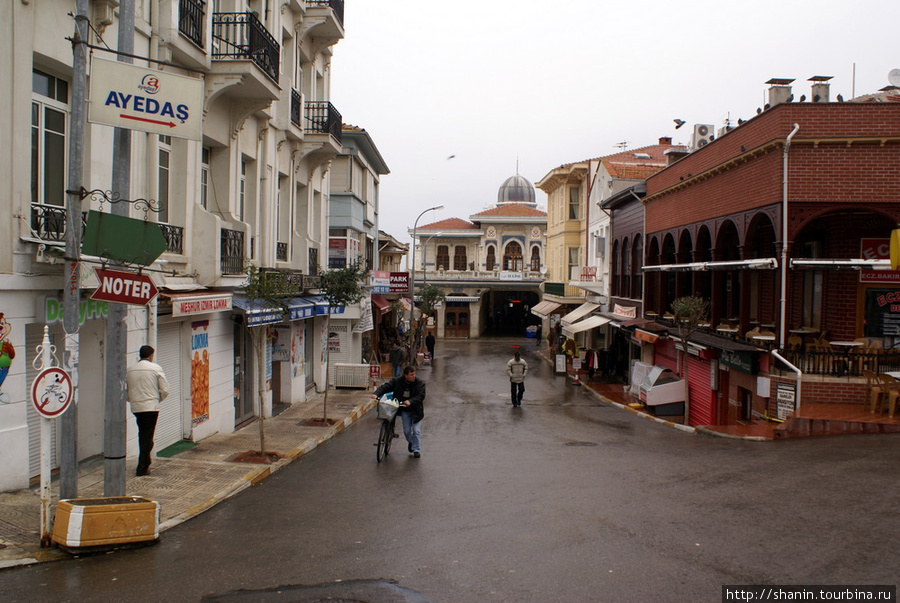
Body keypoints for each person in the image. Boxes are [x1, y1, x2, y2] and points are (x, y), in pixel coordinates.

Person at [126, 345, 170, 477]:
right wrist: (157, 400)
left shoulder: (130, 370)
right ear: (151, 355)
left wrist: (133, 400)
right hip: (151, 407)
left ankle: (145, 462)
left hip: (137, 407)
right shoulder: (155, 368)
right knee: (147, 436)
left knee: (143, 434)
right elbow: (165, 389)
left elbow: (126, 390)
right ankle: (142, 466)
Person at [372, 365, 426, 457]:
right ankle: (412, 443)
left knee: (416, 431)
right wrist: (376, 394)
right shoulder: (397, 381)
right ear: (405, 375)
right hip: (405, 410)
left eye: (414, 374)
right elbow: (386, 387)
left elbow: (421, 396)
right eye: (411, 375)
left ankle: (416, 449)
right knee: (407, 431)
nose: (413, 376)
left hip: (416, 411)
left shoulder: (419, 383)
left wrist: (410, 401)